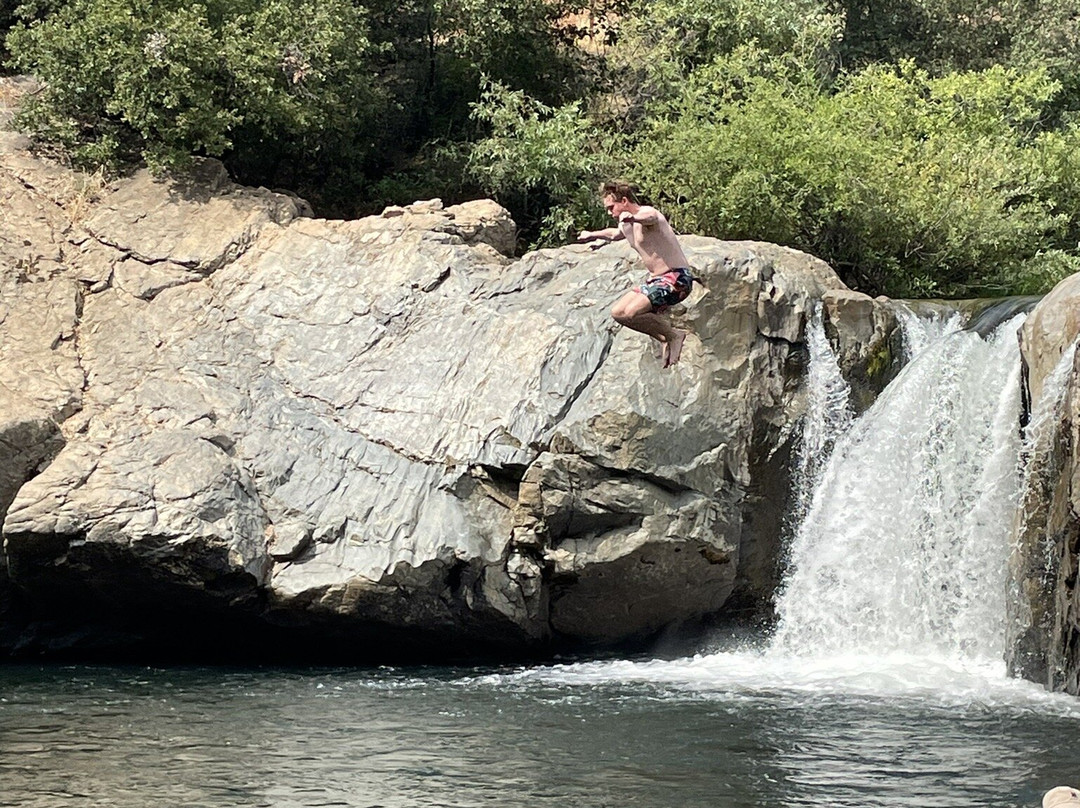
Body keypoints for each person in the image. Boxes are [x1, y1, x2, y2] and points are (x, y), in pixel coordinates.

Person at [577, 181, 695, 368]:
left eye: (611, 207)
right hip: (656, 281)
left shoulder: (646, 214)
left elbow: (651, 217)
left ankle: (675, 336)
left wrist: (633, 219)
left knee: (632, 312)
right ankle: (664, 337)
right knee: (618, 313)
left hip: (677, 278)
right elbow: (615, 234)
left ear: (624, 201)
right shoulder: (626, 225)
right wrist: (593, 235)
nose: (610, 213)